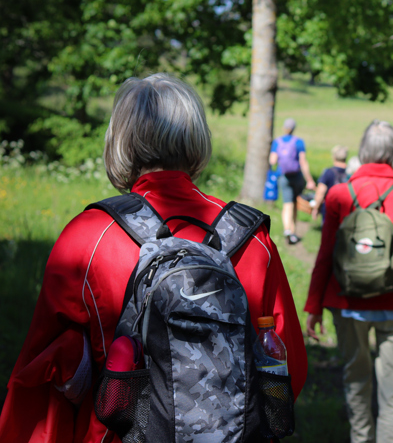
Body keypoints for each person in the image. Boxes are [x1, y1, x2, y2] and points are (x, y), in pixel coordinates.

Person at [0, 73, 308, 443]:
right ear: (196, 138)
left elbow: (40, 379)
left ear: (120, 141)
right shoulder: (252, 239)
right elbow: (288, 367)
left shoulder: (88, 237)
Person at [305, 120, 393, 443]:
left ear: (363, 152)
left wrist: (314, 306)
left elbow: (326, 253)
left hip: (346, 301)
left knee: (356, 380)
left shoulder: (340, 194)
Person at [269, 118, 315, 244]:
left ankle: (287, 229)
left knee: (287, 204)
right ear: (294, 128)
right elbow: (303, 162)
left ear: (284, 128)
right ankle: (293, 232)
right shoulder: (299, 142)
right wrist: (309, 180)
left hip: (283, 176)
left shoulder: (277, 142)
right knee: (295, 204)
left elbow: (272, 160)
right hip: (297, 177)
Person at [311, 144, 350, 222]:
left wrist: (316, 208)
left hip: (330, 210)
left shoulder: (328, 172)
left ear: (334, 157)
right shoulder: (350, 173)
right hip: (347, 209)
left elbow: (321, 192)